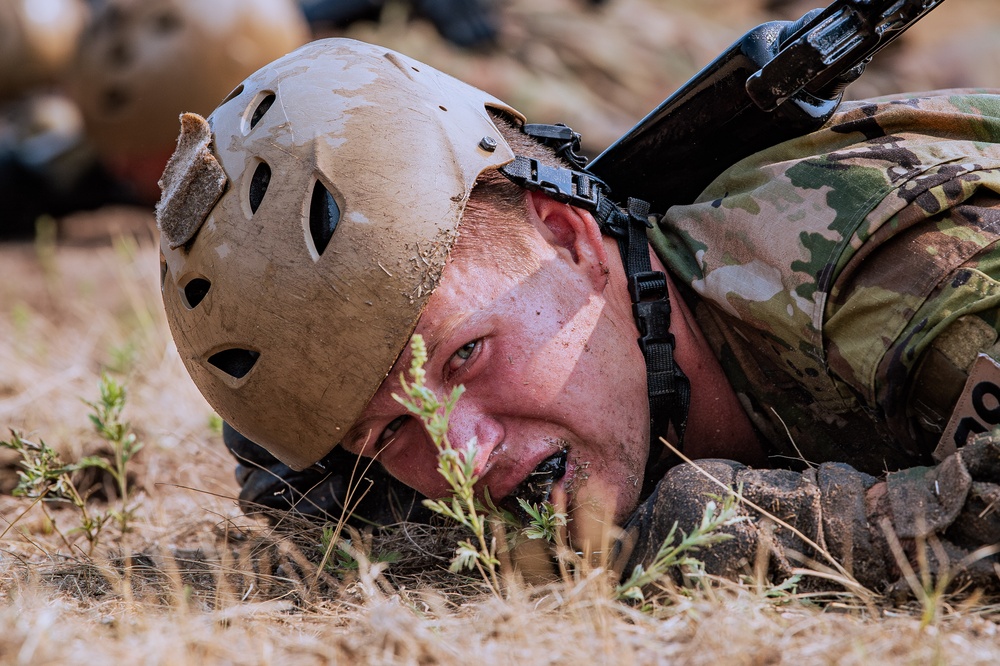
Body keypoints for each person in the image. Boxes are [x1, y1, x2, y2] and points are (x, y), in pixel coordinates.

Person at [156, 37, 1000, 592]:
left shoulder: (886, 261)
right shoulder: (466, 456)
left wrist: (731, 533)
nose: (463, 459)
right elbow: (300, 498)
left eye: (463, 357)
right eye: (387, 435)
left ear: (569, 237)